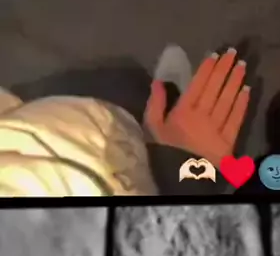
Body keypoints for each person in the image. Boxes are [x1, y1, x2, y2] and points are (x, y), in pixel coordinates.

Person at [0, 46, 251, 196]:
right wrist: (178, 176)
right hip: (124, 164)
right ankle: (167, 105)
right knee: (132, 92)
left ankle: (162, 104)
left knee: (124, 82)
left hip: (35, 113)